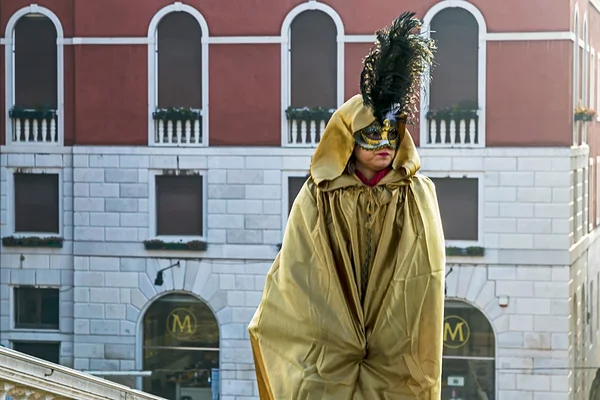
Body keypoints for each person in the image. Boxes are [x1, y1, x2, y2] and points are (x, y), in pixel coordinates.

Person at [248, 12, 444, 399]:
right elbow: (302, 273)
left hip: (396, 356)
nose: (385, 142)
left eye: (392, 132)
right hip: (330, 352)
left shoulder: (417, 194)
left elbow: (424, 280)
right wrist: (344, 336)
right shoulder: (319, 195)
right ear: (347, 139)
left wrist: (385, 337)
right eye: (372, 133)